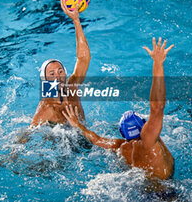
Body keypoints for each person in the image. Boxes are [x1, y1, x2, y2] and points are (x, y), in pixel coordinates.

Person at [62, 37, 175, 180]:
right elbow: (157, 107)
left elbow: (96, 139)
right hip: (166, 193)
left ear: (123, 133)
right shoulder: (149, 139)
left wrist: (78, 125)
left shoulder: (120, 147)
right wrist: (158, 63)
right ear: (145, 125)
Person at [30, 0, 91, 126]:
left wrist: (76, 21)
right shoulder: (45, 107)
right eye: (52, 74)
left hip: (84, 135)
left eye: (60, 71)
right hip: (62, 142)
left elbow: (84, 58)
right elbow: (28, 133)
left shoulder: (72, 86)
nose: (58, 77)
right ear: (45, 80)